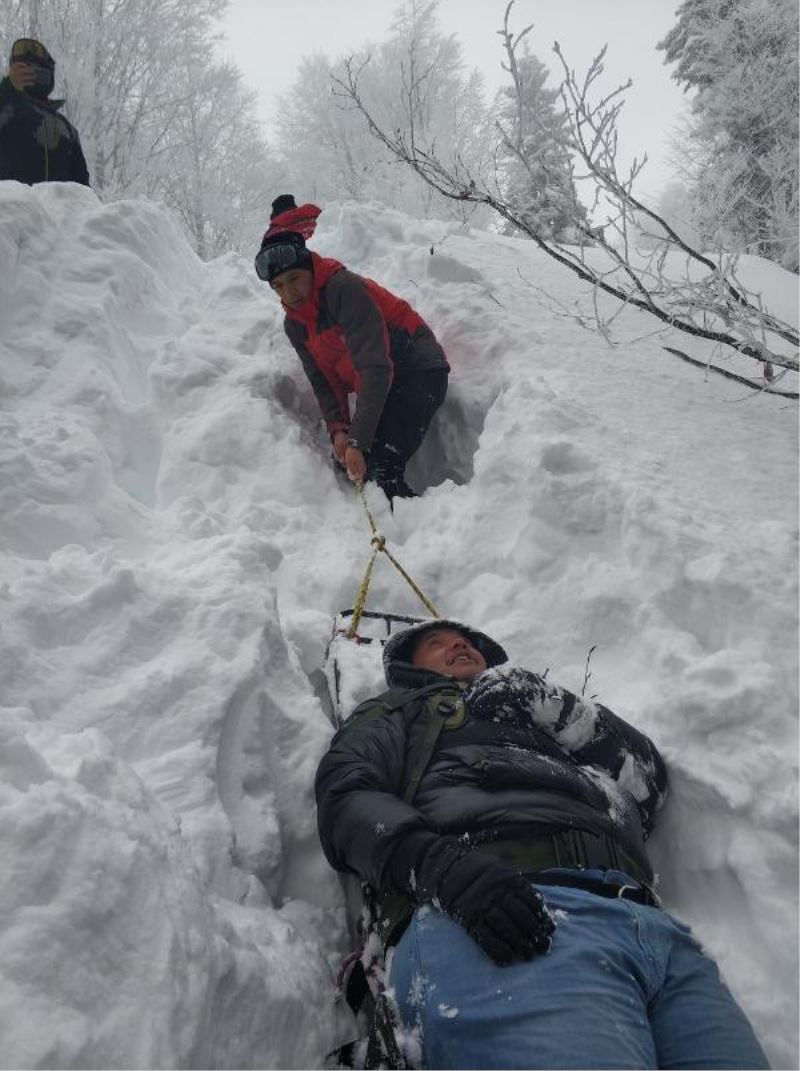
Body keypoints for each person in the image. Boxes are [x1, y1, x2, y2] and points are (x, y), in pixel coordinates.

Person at [315, 619, 770, 1069]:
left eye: (466, 643)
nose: (459, 647)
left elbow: (649, 785)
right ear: (409, 669)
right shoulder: (401, 711)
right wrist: (441, 868)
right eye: (438, 644)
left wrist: (557, 707)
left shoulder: (544, 721)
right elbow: (346, 796)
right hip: (507, 916)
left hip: (656, 934)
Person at [254, 194, 449, 502]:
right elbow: (323, 383)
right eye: (278, 286)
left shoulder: (343, 289)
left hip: (418, 368)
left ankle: (428, 533)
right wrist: (339, 431)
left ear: (310, 269)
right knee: (350, 466)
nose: (289, 292)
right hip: (388, 383)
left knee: (381, 470)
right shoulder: (295, 325)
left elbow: (375, 367)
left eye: (294, 279)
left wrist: (358, 441)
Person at [0, 38, 90, 186]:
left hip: (57, 209)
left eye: (33, 69)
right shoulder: (6, 109)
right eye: (21, 68)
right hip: (9, 208)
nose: (26, 73)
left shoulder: (66, 129)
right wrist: (8, 88)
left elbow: (82, 190)